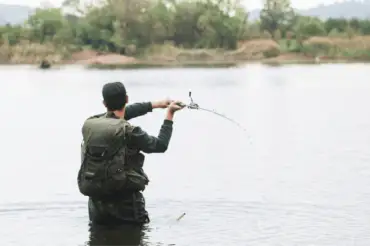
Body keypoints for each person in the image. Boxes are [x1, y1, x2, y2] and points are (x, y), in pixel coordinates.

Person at [77, 81, 185, 226]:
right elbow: (160, 145)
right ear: (126, 99)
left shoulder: (91, 124)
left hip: (97, 207)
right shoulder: (130, 131)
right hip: (127, 206)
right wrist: (169, 114)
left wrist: (156, 104)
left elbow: (120, 115)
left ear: (104, 103)